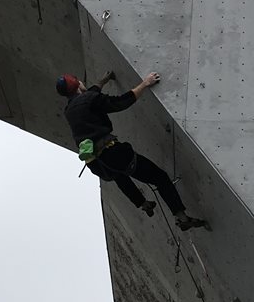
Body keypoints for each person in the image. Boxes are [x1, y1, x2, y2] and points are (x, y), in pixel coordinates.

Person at [56, 70, 206, 231]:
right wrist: (145, 83)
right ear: (78, 85)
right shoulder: (89, 99)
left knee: (119, 175)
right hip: (114, 153)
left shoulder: (70, 110)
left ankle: (143, 203)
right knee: (160, 177)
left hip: (96, 163)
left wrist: (104, 79)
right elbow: (120, 102)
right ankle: (182, 218)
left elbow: (92, 92)